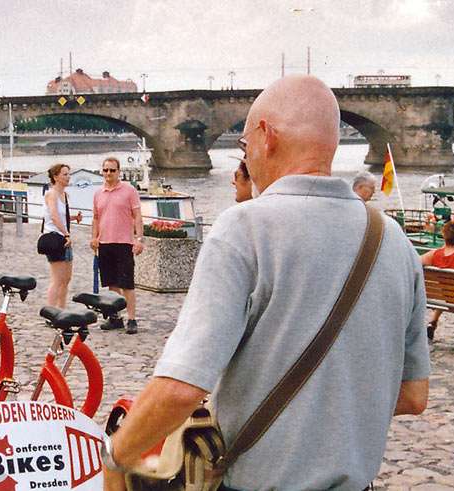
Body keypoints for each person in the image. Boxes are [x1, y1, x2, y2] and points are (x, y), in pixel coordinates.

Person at [103, 76, 429, 490]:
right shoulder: (393, 239)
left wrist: (116, 455)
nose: (247, 159)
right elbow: (414, 395)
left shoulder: (245, 228)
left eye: (243, 146)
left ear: (266, 136)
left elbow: (181, 388)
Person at [91, 157, 143, 334]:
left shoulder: (129, 191)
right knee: (112, 283)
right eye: (105, 170)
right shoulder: (98, 193)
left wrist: (139, 239)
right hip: (105, 243)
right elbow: (96, 218)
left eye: (112, 170)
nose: (108, 174)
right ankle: (115, 318)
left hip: (124, 242)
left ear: (118, 172)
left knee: (127, 283)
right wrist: (94, 238)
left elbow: (137, 216)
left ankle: (132, 319)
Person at [43, 164, 83, 308]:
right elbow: (53, 216)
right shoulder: (51, 194)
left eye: (68, 174)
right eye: (65, 174)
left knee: (66, 278)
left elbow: (61, 216)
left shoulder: (65, 195)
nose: (68, 177)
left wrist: (73, 218)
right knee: (57, 278)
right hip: (56, 238)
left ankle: (61, 308)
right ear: (56, 177)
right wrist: (66, 234)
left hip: (64, 239)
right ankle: (51, 311)